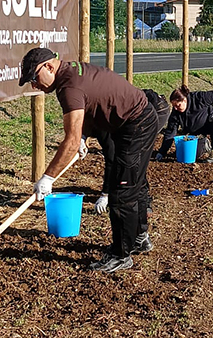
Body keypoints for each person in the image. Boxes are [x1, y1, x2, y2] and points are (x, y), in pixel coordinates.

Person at [19, 47, 160, 274]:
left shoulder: (68, 87)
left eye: (34, 78)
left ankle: (121, 255)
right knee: (132, 184)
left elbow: (70, 141)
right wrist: (84, 136)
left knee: (122, 191)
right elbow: (88, 106)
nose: (34, 85)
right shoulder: (69, 73)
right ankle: (139, 239)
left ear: (49, 66)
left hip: (136, 123)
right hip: (131, 121)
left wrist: (48, 177)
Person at [154, 85, 213, 164]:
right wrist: (162, 152)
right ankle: (204, 144)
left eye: (178, 105)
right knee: (194, 154)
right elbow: (170, 132)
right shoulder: (176, 114)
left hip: (210, 122)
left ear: (184, 100)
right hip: (196, 133)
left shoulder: (199, 98)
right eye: (173, 106)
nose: (175, 108)